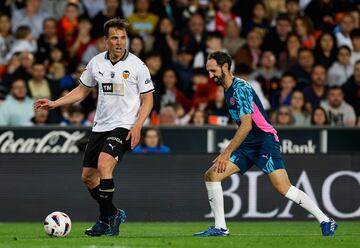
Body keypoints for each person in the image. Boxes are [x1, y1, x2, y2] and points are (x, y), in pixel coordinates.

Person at [193, 51, 337, 237]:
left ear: (226, 67)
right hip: (248, 144)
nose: (210, 75)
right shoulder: (227, 90)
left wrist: (226, 152)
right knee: (212, 176)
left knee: (283, 188)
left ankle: (326, 220)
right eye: (208, 71)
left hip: (264, 142)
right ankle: (220, 228)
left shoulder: (240, 88)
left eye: (213, 71)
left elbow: (246, 126)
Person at [34, 18, 154, 236]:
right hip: (100, 126)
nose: (119, 42)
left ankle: (105, 220)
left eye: (123, 38)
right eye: (115, 38)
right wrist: (54, 103)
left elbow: (148, 100)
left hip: (124, 125)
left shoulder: (138, 66)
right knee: (88, 178)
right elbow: (81, 91)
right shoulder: (96, 63)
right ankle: (113, 214)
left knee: (104, 165)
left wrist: (137, 126)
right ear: (105, 40)